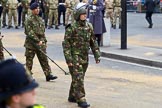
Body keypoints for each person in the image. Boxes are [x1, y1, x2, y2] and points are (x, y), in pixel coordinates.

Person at [62, 3, 100, 108]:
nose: (84, 15)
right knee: (78, 77)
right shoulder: (72, 28)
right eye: (82, 14)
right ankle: (81, 99)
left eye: (85, 14)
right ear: (78, 15)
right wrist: (68, 59)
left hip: (84, 56)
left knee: (78, 76)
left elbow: (93, 41)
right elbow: (66, 45)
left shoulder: (89, 26)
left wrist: (97, 55)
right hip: (75, 56)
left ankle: (72, 95)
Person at [24, 2, 57, 81]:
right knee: (29, 61)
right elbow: (29, 32)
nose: (38, 10)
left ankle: (48, 74)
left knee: (44, 59)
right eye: (36, 9)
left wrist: (43, 41)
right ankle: (28, 76)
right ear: (32, 10)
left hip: (40, 43)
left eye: (38, 8)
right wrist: (37, 40)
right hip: (31, 43)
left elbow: (42, 32)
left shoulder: (40, 19)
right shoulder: (28, 19)